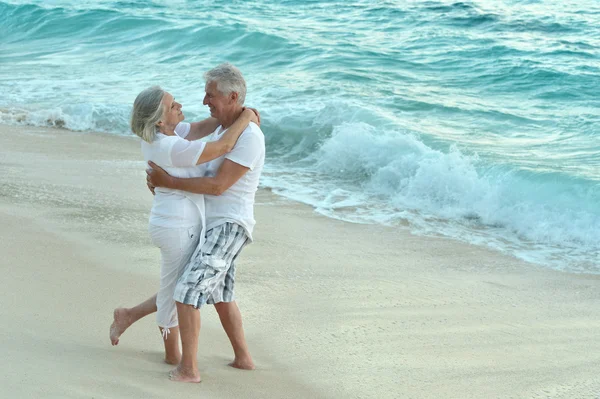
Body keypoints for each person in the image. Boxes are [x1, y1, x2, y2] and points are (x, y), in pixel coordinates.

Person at [110, 85, 259, 365]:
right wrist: (246, 117)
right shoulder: (171, 146)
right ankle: (172, 356)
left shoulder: (163, 133)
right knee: (173, 295)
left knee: (175, 288)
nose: (179, 105)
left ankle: (132, 319)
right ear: (159, 119)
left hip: (174, 223)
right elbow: (222, 147)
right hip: (178, 227)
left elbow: (203, 126)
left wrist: (231, 112)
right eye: (172, 105)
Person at [146, 63, 265, 383]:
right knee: (221, 294)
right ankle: (244, 359)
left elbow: (217, 186)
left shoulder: (249, 136)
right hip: (210, 223)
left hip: (228, 224)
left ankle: (189, 369)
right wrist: (245, 113)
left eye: (211, 95)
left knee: (186, 291)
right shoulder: (223, 127)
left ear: (233, 96)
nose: (204, 101)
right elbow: (187, 143)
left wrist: (168, 182)